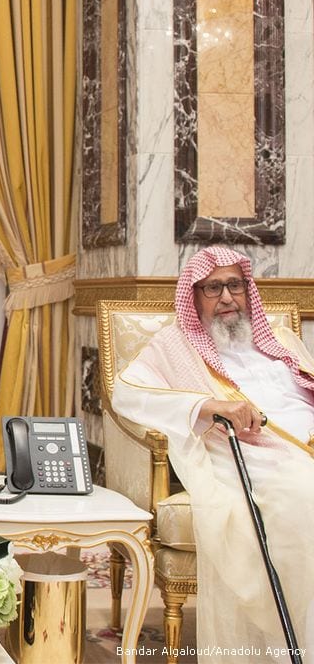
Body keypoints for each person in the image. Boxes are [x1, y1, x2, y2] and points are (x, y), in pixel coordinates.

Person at [113, 246, 314, 661]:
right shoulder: (174, 345)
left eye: (235, 285)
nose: (226, 297)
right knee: (303, 495)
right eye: (213, 288)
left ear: (248, 290)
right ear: (195, 295)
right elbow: (126, 393)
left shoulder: (276, 338)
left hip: (305, 439)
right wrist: (209, 406)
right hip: (251, 451)